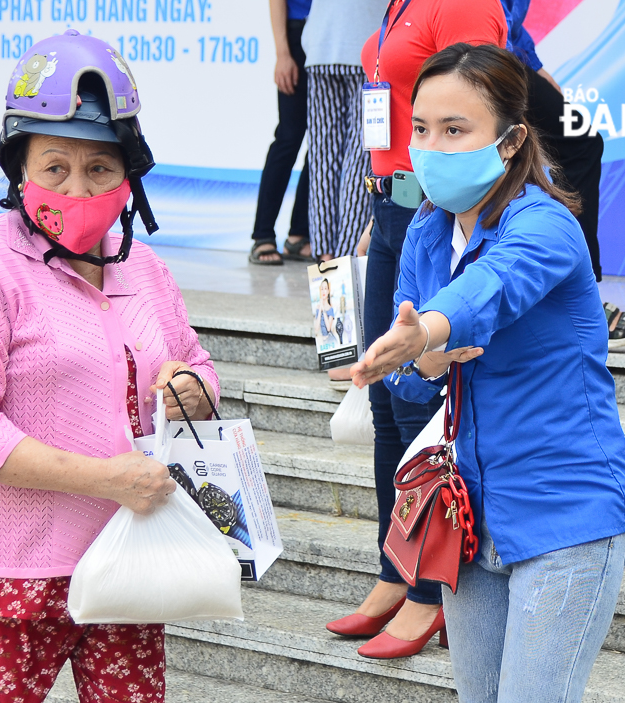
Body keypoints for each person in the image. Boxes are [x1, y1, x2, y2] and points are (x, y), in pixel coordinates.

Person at [0, 31, 220, 703]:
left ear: (129, 174)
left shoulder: (143, 268)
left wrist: (192, 389)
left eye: (100, 170)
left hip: (128, 559)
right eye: (55, 167)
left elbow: (197, 362)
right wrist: (107, 478)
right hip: (7, 571)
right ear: (18, 168)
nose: (78, 187)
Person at [352, 43, 625, 702]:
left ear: (510, 142)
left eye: (456, 130)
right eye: (421, 129)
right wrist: (420, 360)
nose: (432, 147)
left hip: (566, 517)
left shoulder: (548, 224)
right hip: (470, 521)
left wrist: (427, 329)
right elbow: (414, 383)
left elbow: (493, 286)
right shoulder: (425, 230)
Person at [323, 0, 507, 661]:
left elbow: (479, 115)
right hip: (395, 205)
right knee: (383, 396)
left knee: (420, 404)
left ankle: (434, 587)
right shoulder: (398, 4)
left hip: (436, 208)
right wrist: (381, 204)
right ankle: (393, 570)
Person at [500, 0, 625, 348]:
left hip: (505, 57)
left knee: (558, 147)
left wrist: (532, 63)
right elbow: (487, 18)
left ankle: (565, 292)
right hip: (486, 62)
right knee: (579, 145)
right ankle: (579, 296)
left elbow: (509, 19)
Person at [301, 0, 387, 262]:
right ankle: (346, 257)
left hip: (321, 45)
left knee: (322, 156)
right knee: (360, 156)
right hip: (368, 47)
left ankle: (325, 255)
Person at [249, 0, 313, 265]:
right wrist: (283, 53)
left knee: (323, 143)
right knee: (288, 137)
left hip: (334, 38)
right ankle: (262, 235)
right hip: (297, 34)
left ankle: (299, 234)